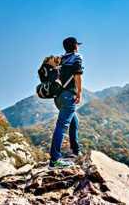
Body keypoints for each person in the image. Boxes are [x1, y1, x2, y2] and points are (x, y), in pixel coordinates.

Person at [48, 37, 83, 169]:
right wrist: (79, 93)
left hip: (58, 97)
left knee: (74, 122)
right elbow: (78, 76)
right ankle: (54, 161)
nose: (78, 47)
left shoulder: (60, 60)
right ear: (75, 46)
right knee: (62, 126)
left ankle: (75, 151)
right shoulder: (76, 57)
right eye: (77, 45)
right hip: (69, 96)